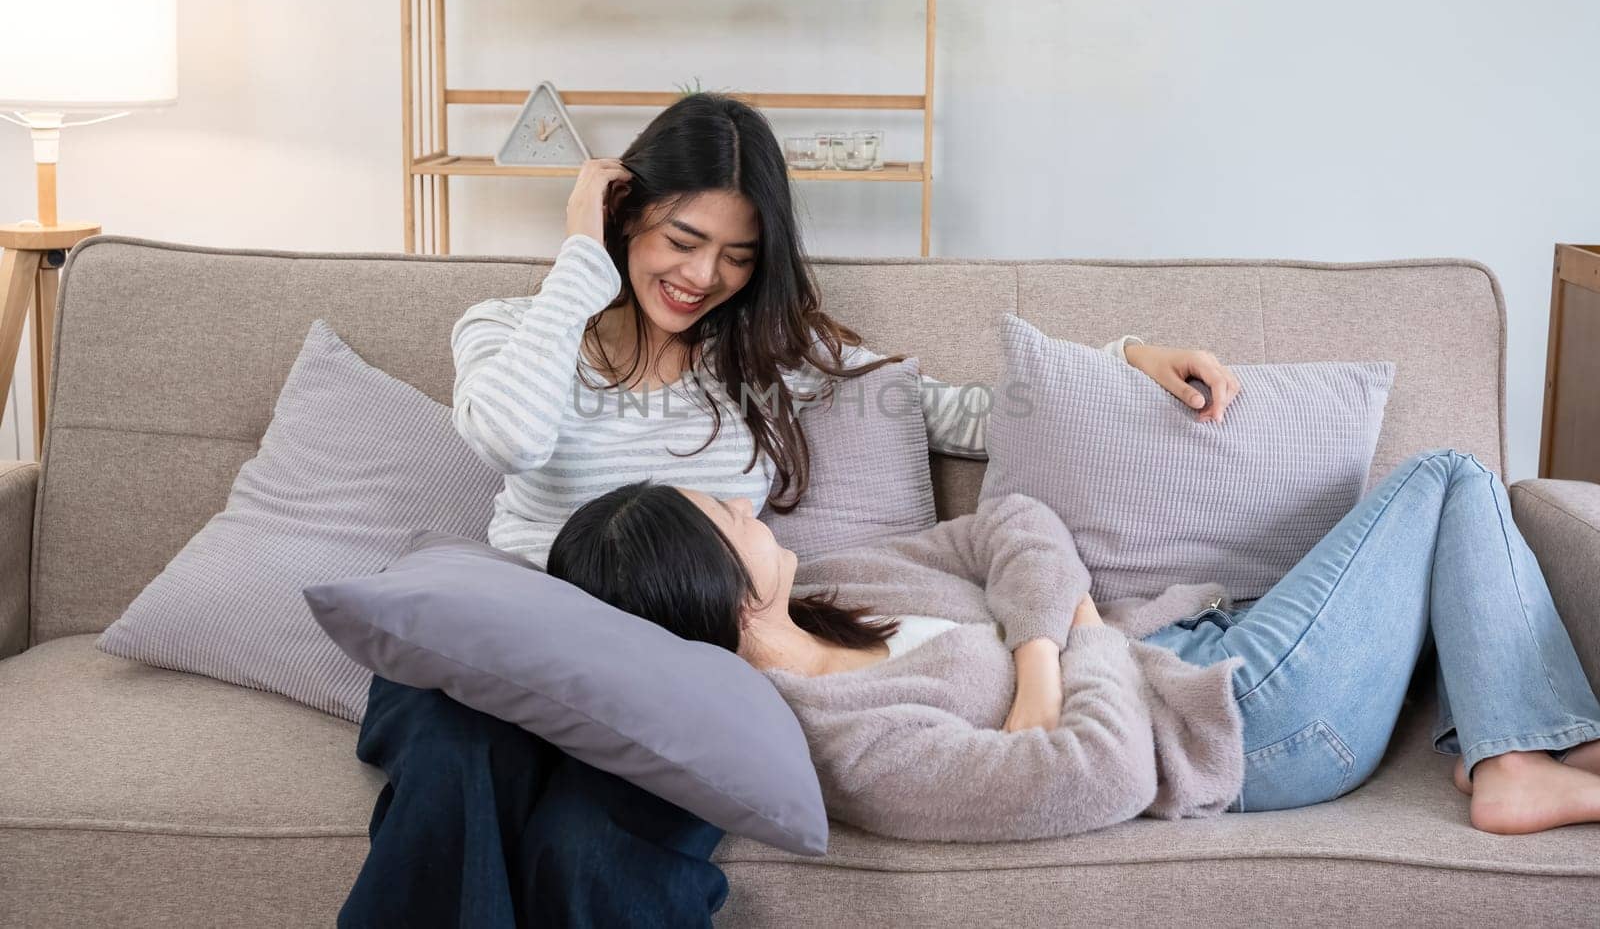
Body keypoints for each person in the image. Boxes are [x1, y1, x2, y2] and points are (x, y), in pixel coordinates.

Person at [340, 92, 1235, 925]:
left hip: (674, 661)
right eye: (681, 238)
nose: (702, 276)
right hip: (510, 633)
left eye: (737, 255)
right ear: (624, 217)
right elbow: (509, 436)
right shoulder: (510, 327)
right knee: (459, 762)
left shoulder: (765, 356)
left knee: (594, 845)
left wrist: (1122, 362)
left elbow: (955, 411)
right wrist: (579, 257)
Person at [545, 455, 1600, 841]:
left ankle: (1504, 737)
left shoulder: (828, 586)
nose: (745, 499)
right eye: (721, 513)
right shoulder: (842, 737)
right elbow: (1095, 771)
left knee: (1456, 501)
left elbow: (1008, 520)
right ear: (703, 579)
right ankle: (1511, 762)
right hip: (1246, 723)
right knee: (1451, 475)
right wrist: (1078, 627)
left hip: (1181, 647)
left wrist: (1044, 650)